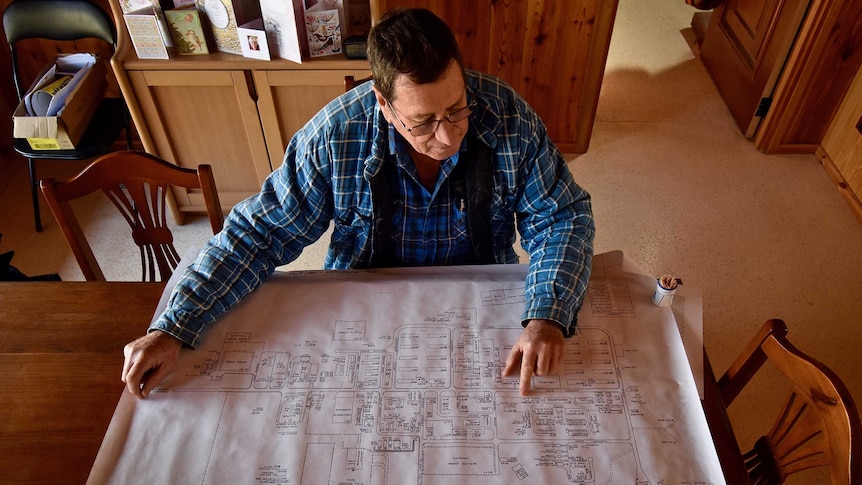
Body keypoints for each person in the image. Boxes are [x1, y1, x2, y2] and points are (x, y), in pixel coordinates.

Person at [122, 8, 594, 398]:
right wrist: (174, 327)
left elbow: (562, 218)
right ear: (383, 105)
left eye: (456, 109)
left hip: (481, 297)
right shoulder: (333, 136)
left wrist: (547, 315)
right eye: (424, 121)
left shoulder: (508, 116)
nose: (448, 135)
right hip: (362, 307)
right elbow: (259, 233)